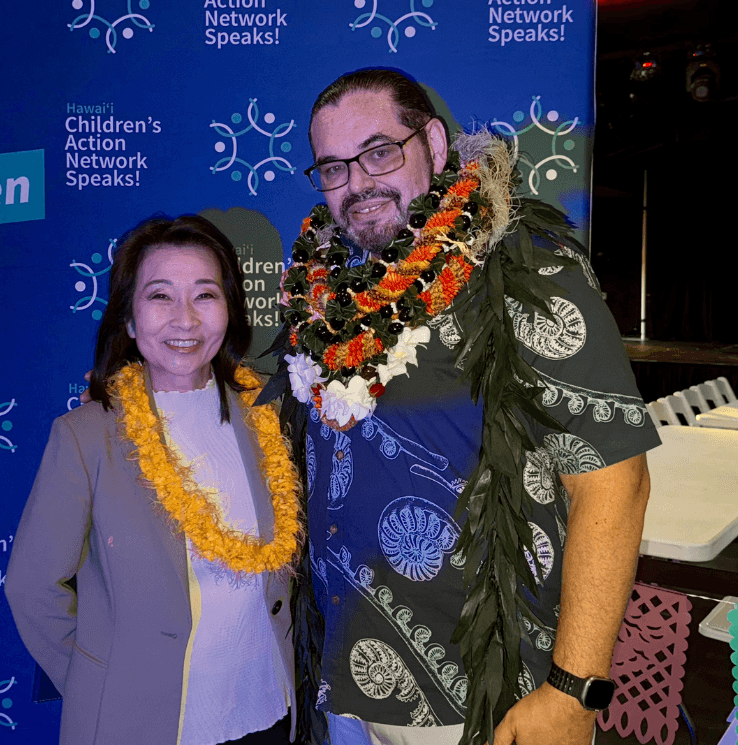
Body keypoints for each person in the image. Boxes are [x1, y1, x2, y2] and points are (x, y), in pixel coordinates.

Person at [263, 69, 658, 745]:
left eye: (379, 152)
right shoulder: (322, 293)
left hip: (478, 695)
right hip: (341, 683)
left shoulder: (529, 272)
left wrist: (573, 691)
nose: (357, 183)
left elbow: (616, 485)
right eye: (333, 167)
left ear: (435, 145)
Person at [6, 214, 303, 745]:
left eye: (205, 295)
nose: (185, 319)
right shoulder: (85, 436)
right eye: (160, 296)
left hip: (267, 713)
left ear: (230, 309)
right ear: (128, 319)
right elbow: (32, 588)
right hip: (141, 725)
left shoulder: (266, 414)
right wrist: (99, 683)